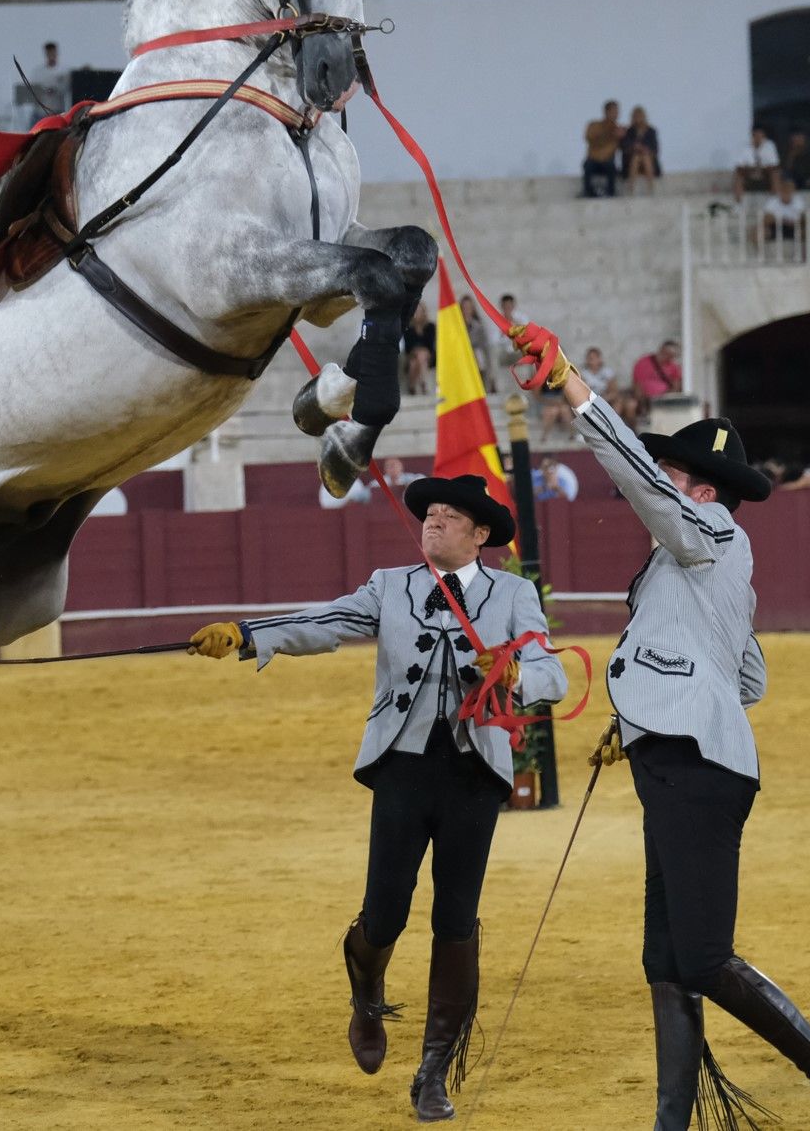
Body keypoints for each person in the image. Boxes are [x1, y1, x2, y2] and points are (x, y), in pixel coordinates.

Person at [507, 321, 810, 1131]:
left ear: (703, 491)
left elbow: (645, 489)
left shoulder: (711, 531)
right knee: (669, 961)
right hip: (681, 757)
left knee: (705, 956)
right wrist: (655, 704)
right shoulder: (702, 565)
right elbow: (748, 673)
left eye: (669, 475)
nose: (650, 485)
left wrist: (572, 384)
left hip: (697, 769)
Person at [187, 476, 567, 1124]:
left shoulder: (512, 594)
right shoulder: (391, 586)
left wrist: (514, 672)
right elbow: (328, 621)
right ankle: (367, 990)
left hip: (474, 774)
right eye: (431, 514)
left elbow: (552, 674)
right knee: (384, 913)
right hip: (403, 765)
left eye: (450, 517)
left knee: (456, 921)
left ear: (481, 536)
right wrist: (250, 634)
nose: (434, 522)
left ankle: (432, 1071)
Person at [625, 339, 683, 425]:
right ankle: (633, 431)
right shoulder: (643, 362)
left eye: (672, 356)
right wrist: (643, 401)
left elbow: (676, 387)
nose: (669, 357)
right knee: (630, 406)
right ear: (661, 350)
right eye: (667, 354)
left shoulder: (674, 367)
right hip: (644, 400)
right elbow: (637, 385)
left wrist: (665, 399)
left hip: (663, 399)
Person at [583, 100, 622, 198]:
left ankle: (610, 193)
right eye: (614, 111)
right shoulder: (594, 125)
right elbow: (589, 137)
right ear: (606, 112)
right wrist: (608, 133)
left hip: (608, 162)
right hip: (593, 160)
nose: (616, 114)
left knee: (611, 167)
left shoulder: (618, 129)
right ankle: (588, 191)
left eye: (617, 112)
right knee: (588, 166)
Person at [732, 126, 780, 202]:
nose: (758, 138)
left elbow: (774, 164)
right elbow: (739, 166)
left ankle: (774, 201)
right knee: (739, 176)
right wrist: (751, 169)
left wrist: (761, 168)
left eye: (760, 136)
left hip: (765, 175)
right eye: (756, 135)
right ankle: (738, 203)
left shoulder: (769, 146)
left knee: (775, 174)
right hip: (749, 174)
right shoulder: (744, 147)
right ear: (752, 136)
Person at [621, 106, 661, 193]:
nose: (638, 118)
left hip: (648, 159)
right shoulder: (629, 131)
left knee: (645, 157)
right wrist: (634, 147)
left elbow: (655, 148)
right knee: (636, 157)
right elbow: (625, 147)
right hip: (632, 161)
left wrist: (645, 149)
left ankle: (650, 187)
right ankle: (631, 187)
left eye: (639, 116)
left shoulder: (651, 131)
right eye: (636, 116)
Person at [460, 295, 496, 391]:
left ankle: (485, 385)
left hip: (476, 354)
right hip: (461, 353)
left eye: (469, 308)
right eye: (464, 308)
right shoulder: (457, 326)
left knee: (481, 356)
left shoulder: (479, 326)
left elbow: (484, 345)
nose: (467, 310)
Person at [760, 177, 806, 250]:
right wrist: (783, 221)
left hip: (794, 228)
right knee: (758, 232)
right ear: (780, 191)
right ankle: (761, 256)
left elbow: (803, 218)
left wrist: (795, 222)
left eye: (789, 190)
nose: (787, 192)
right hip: (775, 227)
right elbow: (766, 219)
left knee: (808, 231)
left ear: (793, 191)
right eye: (784, 189)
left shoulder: (799, 201)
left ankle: (805, 257)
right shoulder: (772, 201)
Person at [403, 303, 437, 395]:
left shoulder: (430, 327)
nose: (417, 314)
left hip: (428, 356)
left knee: (419, 358)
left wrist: (421, 351)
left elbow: (430, 345)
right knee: (415, 361)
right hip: (412, 356)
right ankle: (423, 384)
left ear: (424, 312)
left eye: (420, 311)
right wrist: (418, 351)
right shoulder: (408, 328)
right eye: (416, 311)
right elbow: (408, 348)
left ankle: (412, 386)